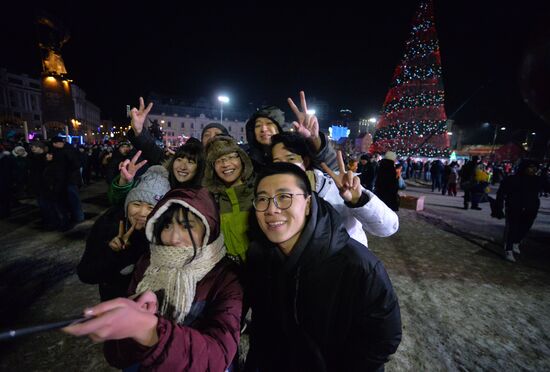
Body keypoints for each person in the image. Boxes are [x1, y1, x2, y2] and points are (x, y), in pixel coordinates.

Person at [64, 187, 243, 371]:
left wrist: (152, 331)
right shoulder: (149, 261)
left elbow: (219, 355)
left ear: (208, 227)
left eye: (187, 226)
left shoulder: (226, 276)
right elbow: (118, 357)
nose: (173, 238)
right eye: (166, 226)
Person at [245, 162, 402, 371]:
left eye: (284, 197)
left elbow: (382, 339)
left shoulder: (358, 266)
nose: (271, 209)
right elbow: (263, 330)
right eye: (262, 199)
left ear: (308, 203)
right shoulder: (259, 257)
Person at [270, 132, 399, 247]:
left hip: (348, 269)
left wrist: (358, 200)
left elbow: (388, 228)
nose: (285, 165)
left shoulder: (338, 187)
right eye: (277, 161)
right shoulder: (274, 199)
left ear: (306, 161)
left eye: (291, 159)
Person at [77, 164, 171, 301]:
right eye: (137, 204)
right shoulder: (109, 224)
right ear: (127, 205)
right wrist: (112, 252)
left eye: (151, 207)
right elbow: (86, 275)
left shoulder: (167, 234)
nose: (142, 213)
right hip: (115, 303)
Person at [245, 91, 337, 172]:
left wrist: (314, 139)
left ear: (280, 128)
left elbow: (330, 169)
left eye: (269, 123)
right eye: (257, 125)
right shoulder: (248, 161)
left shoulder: (297, 151)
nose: (263, 129)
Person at [204, 135, 255, 264]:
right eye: (219, 160)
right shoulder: (211, 200)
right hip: (229, 272)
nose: (226, 164)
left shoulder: (259, 191)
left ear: (242, 159)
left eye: (231, 157)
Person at [494, 159, 550, 262]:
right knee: (513, 228)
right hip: (515, 206)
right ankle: (509, 249)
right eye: (530, 167)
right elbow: (501, 193)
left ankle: (516, 242)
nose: (533, 169)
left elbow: (547, 188)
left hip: (531, 207)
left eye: (534, 168)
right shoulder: (512, 179)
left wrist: (545, 175)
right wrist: (499, 206)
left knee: (525, 227)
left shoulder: (538, 180)